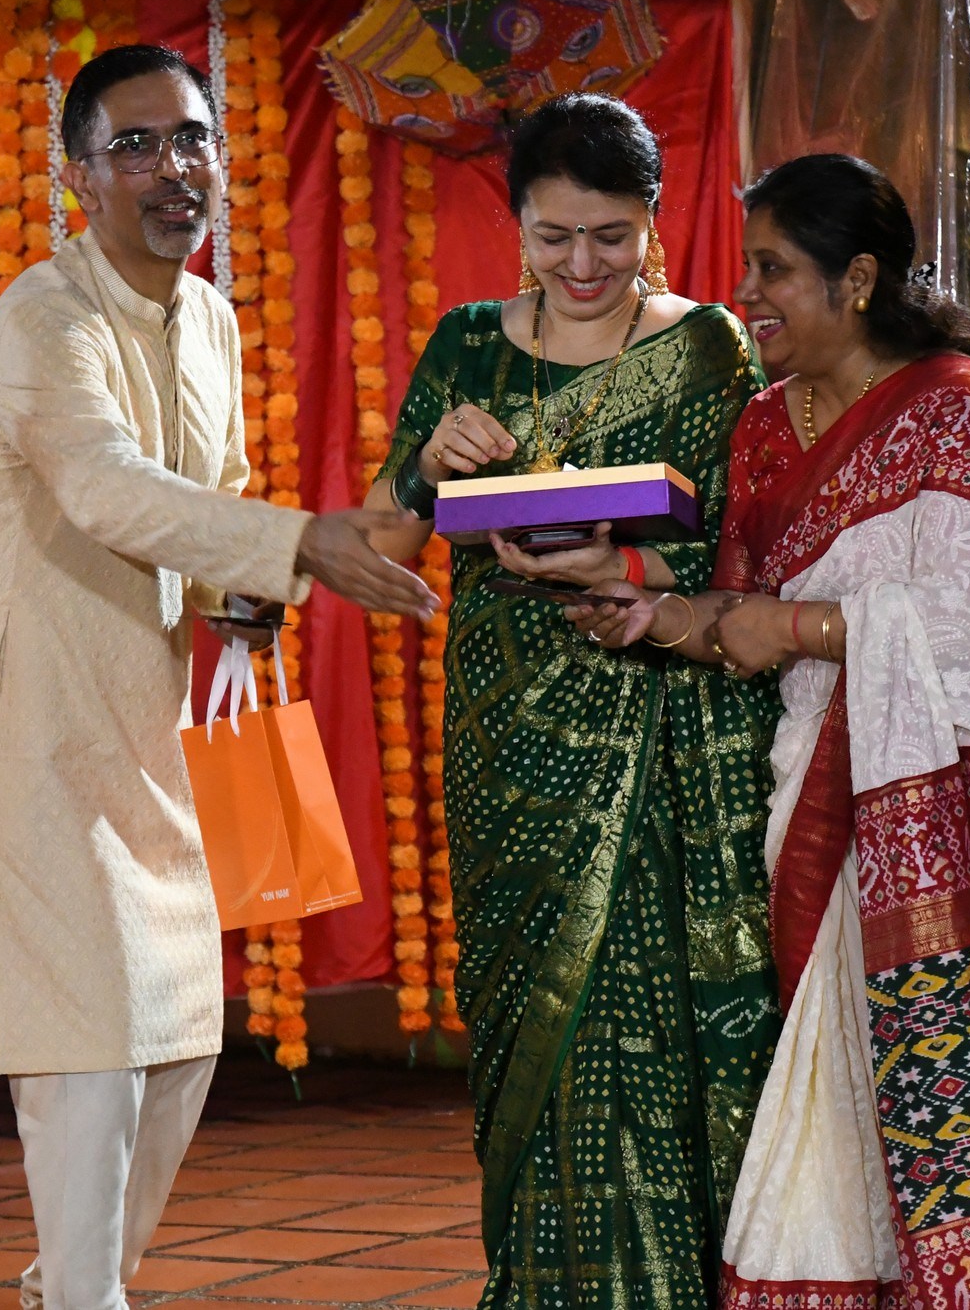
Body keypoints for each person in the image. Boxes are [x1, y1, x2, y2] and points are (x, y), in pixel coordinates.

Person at [567, 154, 970, 1309]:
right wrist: (647, 613)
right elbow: (741, 613)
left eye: (773, 269)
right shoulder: (763, 428)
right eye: (746, 268)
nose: (748, 293)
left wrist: (801, 624)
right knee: (840, 1103)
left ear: (858, 278)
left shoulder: (958, 413)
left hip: (965, 828)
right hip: (824, 807)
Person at [0, 45, 438, 1310]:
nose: (170, 167)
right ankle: (84, 1295)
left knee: (180, 1050)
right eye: (132, 146)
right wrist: (300, 544)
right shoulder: (42, 319)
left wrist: (253, 594)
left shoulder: (210, 321)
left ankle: (68, 1290)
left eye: (190, 139)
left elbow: (212, 493)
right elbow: (105, 488)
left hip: (152, 742)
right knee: (89, 1061)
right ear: (78, 177)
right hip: (35, 745)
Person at [363, 93, 782, 1310]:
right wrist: (430, 464)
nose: (584, 264)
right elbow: (385, 537)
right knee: (527, 1008)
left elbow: (756, 544)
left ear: (652, 218)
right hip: (509, 727)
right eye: (554, 237)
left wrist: (624, 567)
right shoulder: (466, 346)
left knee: (645, 1007)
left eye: (611, 235)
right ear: (517, 225)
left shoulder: (706, 347)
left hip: (663, 716)